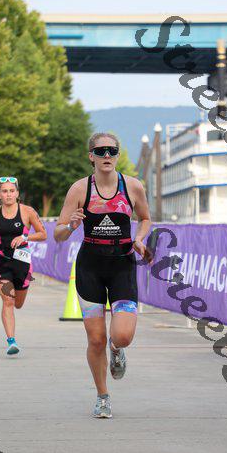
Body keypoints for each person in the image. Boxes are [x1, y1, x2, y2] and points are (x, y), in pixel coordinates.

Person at [54, 132, 152, 418]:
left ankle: (117, 349)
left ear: (118, 155)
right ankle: (102, 396)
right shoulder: (79, 189)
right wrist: (70, 226)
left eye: (112, 150)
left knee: (122, 335)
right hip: (90, 268)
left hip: (122, 266)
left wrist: (140, 239)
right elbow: (58, 234)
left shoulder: (132, 186)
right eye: (100, 151)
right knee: (95, 339)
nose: (106, 155)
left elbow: (145, 218)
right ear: (91, 156)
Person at [0, 177, 47, 355]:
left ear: (17, 193)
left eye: (12, 191)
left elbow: (43, 234)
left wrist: (25, 237)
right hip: (1, 262)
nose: (8, 194)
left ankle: (12, 333)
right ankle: (11, 341)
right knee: (8, 301)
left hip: (22, 264)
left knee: (18, 304)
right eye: (4, 191)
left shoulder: (27, 211)